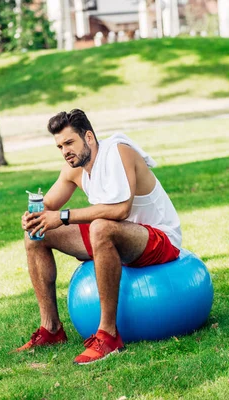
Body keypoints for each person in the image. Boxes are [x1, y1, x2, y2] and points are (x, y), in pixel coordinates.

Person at [18, 109, 182, 365]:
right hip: (117, 237)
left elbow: (120, 210)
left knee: (100, 227)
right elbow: (47, 205)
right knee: (36, 236)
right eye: (60, 146)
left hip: (157, 239)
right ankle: (51, 329)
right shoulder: (74, 169)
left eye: (70, 142)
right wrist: (33, 217)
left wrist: (61, 217)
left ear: (89, 138)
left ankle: (108, 335)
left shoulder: (119, 152)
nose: (65, 151)